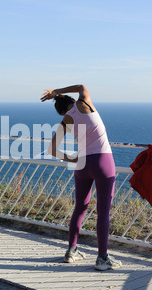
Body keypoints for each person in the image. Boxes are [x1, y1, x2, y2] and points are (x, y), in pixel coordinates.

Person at [41, 84, 122, 271]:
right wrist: (56, 92)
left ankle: (71, 251)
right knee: (103, 211)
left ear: (62, 112)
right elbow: (81, 86)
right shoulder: (84, 103)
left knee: (80, 208)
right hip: (102, 160)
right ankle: (102, 258)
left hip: (82, 164)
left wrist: (74, 157)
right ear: (72, 101)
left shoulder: (66, 121)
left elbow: (52, 149)